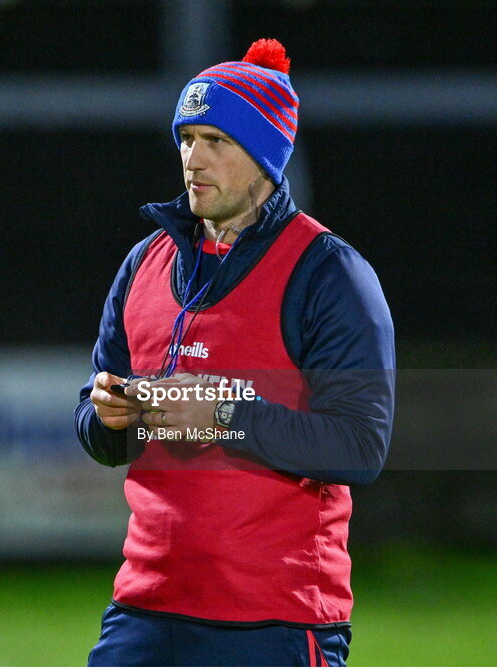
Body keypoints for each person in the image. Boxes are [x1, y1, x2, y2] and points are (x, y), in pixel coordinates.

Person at [74, 38, 395, 667]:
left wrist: (224, 413)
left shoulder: (328, 274)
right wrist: (105, 416)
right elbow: (94, 417)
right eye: (187, 138)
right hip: (147, 606)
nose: (194, 158)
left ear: (267, 153)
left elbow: (361, 446)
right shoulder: (144, 264)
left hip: (272, 619)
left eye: (217, 140)